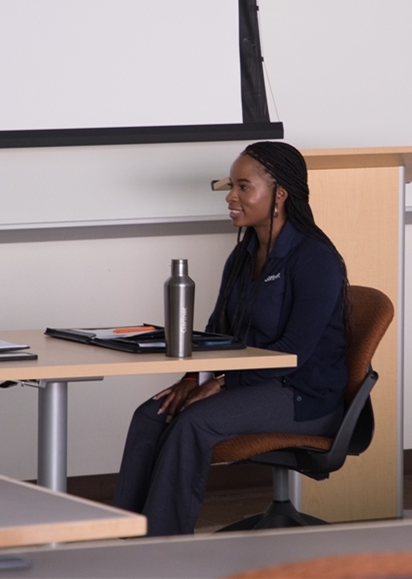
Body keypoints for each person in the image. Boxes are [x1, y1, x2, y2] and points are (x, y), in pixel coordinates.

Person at [112, 141, 349, 536]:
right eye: (230, 187)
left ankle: (161, 548)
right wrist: (195, 379)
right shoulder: (242, 256)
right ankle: (121, 538)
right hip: (251, 382)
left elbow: (293, 354)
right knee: (151, 414)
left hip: (303, 393)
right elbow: (218, 333)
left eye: (243, 187)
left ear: (280, 196)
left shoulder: (315, 259)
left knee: (193, 422)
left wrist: (223, 384)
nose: (231, 197)